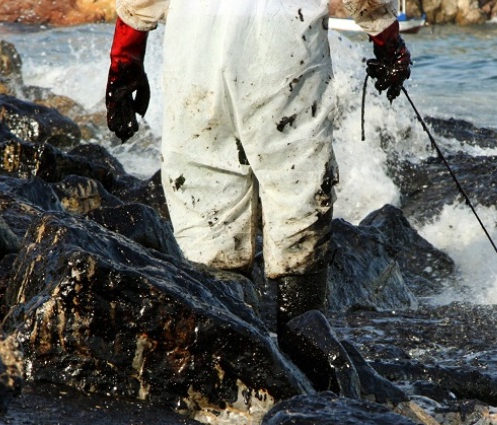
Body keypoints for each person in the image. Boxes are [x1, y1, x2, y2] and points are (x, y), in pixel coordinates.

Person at [106, 0, 411, 349]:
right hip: (281, 46)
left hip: (194, 51)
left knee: (206, 215)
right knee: (297, 197)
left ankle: (223, 362)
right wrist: (389, 44)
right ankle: (303, 357)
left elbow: (137, 6)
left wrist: (123, 64)